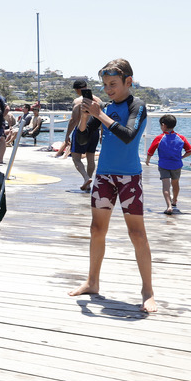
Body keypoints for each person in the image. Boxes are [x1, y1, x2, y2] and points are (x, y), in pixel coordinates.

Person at [68, 58, 156, 313]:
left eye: (113, 84)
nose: (108, 89)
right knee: (97, 229)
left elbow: (128, 136)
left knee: (137, 234)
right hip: (104, 176)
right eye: (105, 84)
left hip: (129, 177)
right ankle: (92, 282)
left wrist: (100, 114)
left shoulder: (136, 105)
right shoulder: (104, 107)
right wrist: (85, 118)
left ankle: (147, 291)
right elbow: (83, 139)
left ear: (129, 81)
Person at [145, 114, 191, 215]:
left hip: (163, 165)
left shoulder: (159, 138)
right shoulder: (181, 138)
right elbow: (190, 151)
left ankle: (169, 206)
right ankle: (174, 200)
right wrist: (181, 157)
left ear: (163, 125)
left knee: (165, 186)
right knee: (175, 184)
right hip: (177, 165)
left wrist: (148, 160)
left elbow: (150, 151)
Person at [68, 79, 100, 191]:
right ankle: (88, 183)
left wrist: (67, 135)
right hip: (95, 131)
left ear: (77, 90)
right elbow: (101, 118)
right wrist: (101, 134)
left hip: (81, 130)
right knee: (90, 158)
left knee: (76, 158)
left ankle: (86, 178)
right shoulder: (98, 100)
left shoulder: (78, 101)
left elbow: (73, 120)